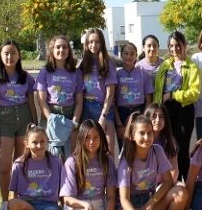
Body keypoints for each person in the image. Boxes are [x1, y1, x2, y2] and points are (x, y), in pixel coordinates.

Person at [115, 114, 187, 210]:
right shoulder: (126, 160)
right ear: (132, 135)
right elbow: (124, 199)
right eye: (142, 133)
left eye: (150, 133)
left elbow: (168, 182)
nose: (147, 138)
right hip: (128, 205)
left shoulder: (157, 150)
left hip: (148, 199)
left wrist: (150, 203)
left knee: (181, 192)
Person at [0, 40, 37, 210]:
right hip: (4, 120)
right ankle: (6, 201)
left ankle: (17, 199)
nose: (10, 56)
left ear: (19, 55)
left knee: (20, 164)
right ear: (0, 55)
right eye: (6, 53)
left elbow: (31, 102)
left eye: (13, 53)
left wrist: (34, 125)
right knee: (6, 165)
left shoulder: (26, 77)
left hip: (24, 118)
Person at [60, 120, 118, 210]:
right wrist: (84, 205)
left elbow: (111, 196)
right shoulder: (72, 162)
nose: (92, 141)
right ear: (81, 138)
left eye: (96, 137)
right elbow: (66, 199)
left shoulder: (107, 161)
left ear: (101, 138)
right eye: (87, 137)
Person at [8, 124, 64, 210]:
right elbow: (13, 194)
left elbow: (63, 190)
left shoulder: (56, 162)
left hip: (47, 206)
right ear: (26, 143)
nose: (39, 146)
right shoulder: (19, 164)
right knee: (12, 205)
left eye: (42, 141)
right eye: (34, 142)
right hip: (27, 206)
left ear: (47, 141)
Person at [154, 30, 201, 181]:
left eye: (178, 45)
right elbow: (158, 90)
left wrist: (173, 95)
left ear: (184, 45)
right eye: (171, 46)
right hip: (166, 110)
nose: (174, 49)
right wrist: (157, 109)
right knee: (166, 146)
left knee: (182, 148)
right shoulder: (165, 66)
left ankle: (184, 182)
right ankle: (168, 181)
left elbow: (194, 93)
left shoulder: (192, 67)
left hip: (184, 110)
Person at [35, 35, 83, 159]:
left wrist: (75, 123)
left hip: (69, 117)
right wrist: (50, 119)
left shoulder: (76, 72)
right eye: (58, 47)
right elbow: (41, 100)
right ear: (52, 50)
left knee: (70, 159)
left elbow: (79, 101)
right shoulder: (45, 71)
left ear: (69, 50)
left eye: (64, 47)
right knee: (52, 158)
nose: (61, 50)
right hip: (50, 116)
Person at [80, 28, 118, 157]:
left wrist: (103, 115)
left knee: (108, 152)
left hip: (104, 109)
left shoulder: (108, 63)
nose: (93, 45)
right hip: (87, 108)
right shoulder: (83, 64)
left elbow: (110, 92)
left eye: (97, 42)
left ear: (102, 43)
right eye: (90, 42)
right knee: (88, 150)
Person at [114, 41, 154, 136]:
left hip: (139, 111)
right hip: (121, 113)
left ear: (136, 55)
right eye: (126, 53)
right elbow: (113, 101)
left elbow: (148, 100)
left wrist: (144, 117)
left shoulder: (143, 74)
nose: (129, 56)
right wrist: (119, 123)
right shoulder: (116, 74)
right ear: (121, 55)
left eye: (132, 54)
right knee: (124, 145)